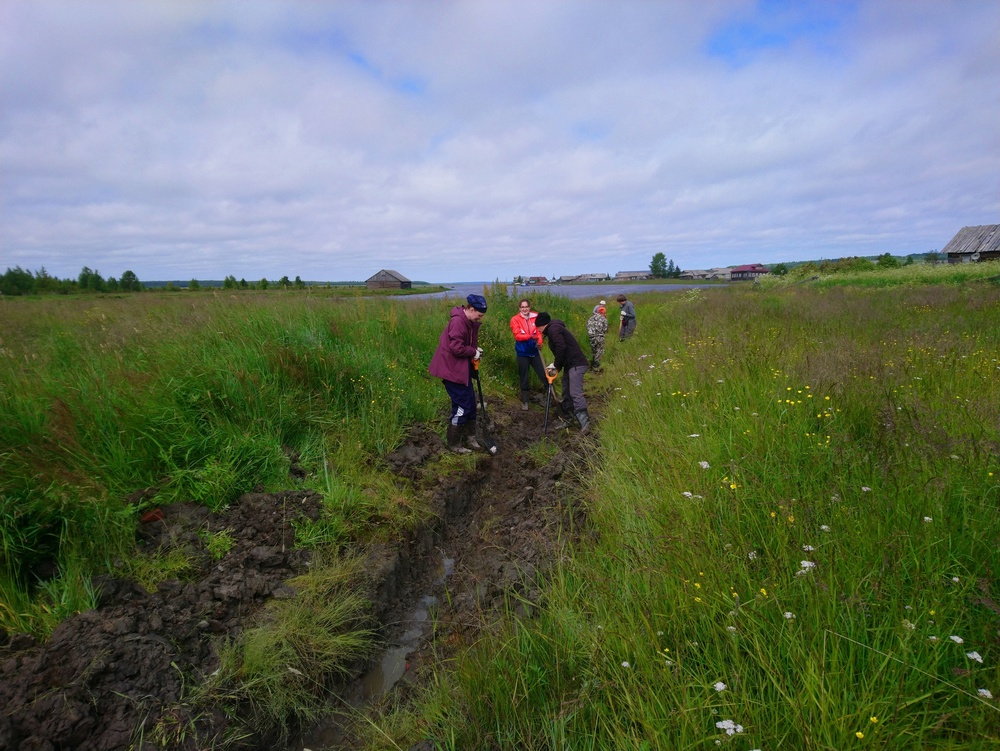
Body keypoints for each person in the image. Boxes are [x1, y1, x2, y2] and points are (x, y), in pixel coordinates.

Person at [428, 294, 487, 453]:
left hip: (461, 370)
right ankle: (454, 443)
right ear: (471, 309)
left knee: (471, 404)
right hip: (452, 371)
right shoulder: (457, 322)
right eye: (479, 315)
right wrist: (472, 351)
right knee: (462, 406)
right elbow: (456, 348)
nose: (480, 318)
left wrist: (475, 351)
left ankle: (471, 437)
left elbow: (465, 344)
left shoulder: (467, 322)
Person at [534, 312, 590, 433]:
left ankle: (585, 423)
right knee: (566, 392)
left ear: (541, 325)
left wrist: (555, 365)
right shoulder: (554, 329)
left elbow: (561, 347)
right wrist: (557, 367)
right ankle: (570, 419)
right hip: (569, 365)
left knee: (575, 392)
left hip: (576, 364)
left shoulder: (554, 329)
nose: (538, 330)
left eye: (537, 327)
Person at [509, 298, 547, 410]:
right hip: (522, 353)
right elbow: (518, 336)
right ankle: (525, 401)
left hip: (535, 353)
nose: (524, 309)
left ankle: (551, 396)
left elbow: (539, 333)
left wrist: (540, 342)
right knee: (524, 377)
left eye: (526, 307)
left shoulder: (536, 317)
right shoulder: (515, 319)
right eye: (522, 307)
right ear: (519, 308)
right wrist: (530, 336)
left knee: (544, 374)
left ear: (529, 307)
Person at [586, 302, 609, 370]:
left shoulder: (590, 318)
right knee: (600, 350)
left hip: (591, 337)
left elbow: (587, 327)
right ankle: (596, 366)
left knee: (594, 350)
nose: (605, 314)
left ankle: (592, 363)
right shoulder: (603, 319)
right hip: (599, 336)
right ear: (602, 313)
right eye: (605, 313)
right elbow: (605, 329)